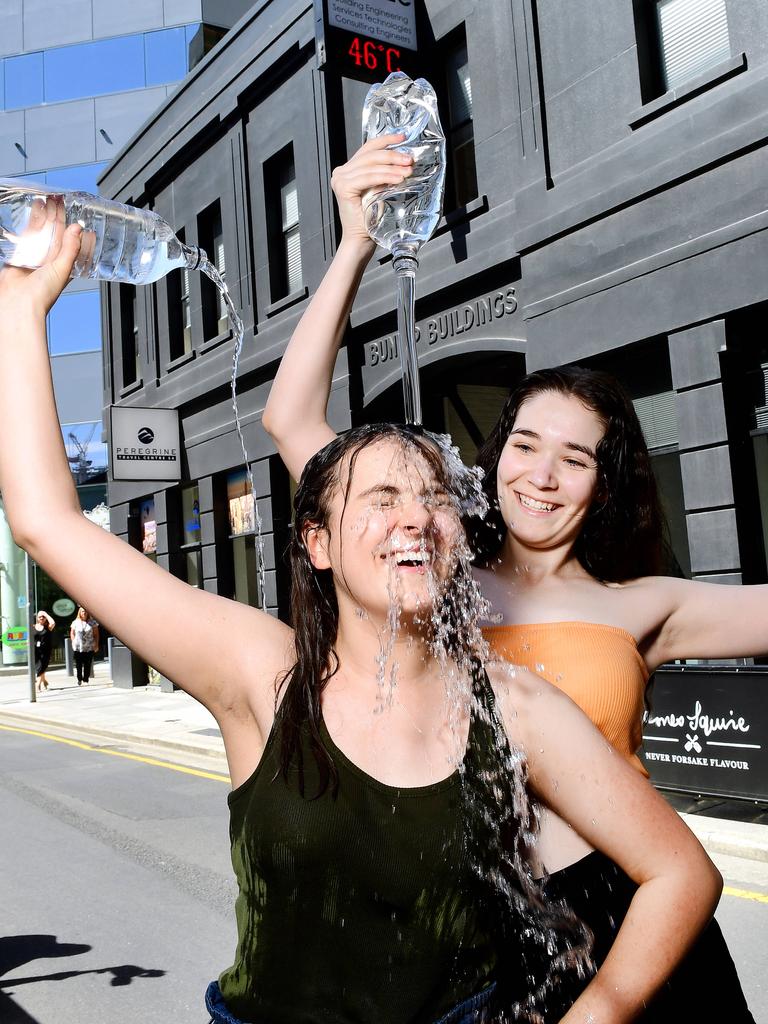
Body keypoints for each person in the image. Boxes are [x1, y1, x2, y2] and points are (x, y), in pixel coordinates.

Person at [0, 222, 724, 1021]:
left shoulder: (512, 707)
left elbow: (682, 872)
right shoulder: (262, 675)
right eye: (381, 499)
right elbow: (48, 524)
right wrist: (22, 316)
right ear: (319, 543)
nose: (413, 518)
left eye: (434, 499)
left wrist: (603, 1008)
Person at [262, 137, 758, 1020]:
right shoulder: (429, 572)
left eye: (577, 458)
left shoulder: (647, 606)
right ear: (493, 461)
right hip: (491, 932)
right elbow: (291, 415)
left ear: (606, 483)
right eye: (525, 445)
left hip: (635, 908)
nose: (542, 474)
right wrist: (353, 244)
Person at [70, 606, 99, 685]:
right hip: (78, 647)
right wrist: (73, 642)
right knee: (78, 665)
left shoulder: (93, 622)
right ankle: (79, 679)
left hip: (89, 647)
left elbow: (96, 635)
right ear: (80, 612)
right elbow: (72, 633)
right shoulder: (75, 622)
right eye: (82, 611)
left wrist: (96, 644)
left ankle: (85, 680)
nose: (84, 613)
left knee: (87, 664)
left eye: (86, 611)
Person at [33, 610, 55, 691]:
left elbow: (53, 622)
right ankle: (44, 681)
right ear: (37, 618)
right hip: (36, 651)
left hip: (46, 650)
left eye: (43, 617)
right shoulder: (33, 627)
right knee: (39, 667)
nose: (42, 618)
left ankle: (38, 684)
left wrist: (45, 613)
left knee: (42, 666)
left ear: (45, 618)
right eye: (40, 616)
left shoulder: (48, 627)